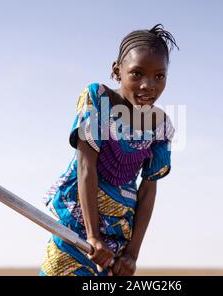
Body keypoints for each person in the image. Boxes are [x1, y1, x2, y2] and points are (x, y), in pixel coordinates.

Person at [39, 24, 179, 276]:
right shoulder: (98, 98)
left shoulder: (161, 125)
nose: (149, 85)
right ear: (117, 71)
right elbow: (85, 165)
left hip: (119, 236)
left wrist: (132, 253)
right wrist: (92, 236)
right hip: (78, 228)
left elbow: (148, 189)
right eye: (137, 74)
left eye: (159, 76)